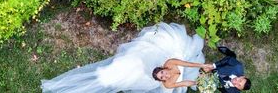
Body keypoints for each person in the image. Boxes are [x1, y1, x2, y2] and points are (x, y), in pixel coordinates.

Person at [41, 22, 207, 93]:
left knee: (106, 78)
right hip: (134, 67)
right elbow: (185, 82)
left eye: (162, 74)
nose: (165, 75)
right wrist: (196, 82)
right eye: (163, 76)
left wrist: (201, 67)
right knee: (105, 78)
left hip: (135, 66)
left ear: (163, 69)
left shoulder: (171, 63)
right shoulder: (170, 82)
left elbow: (187, 63)